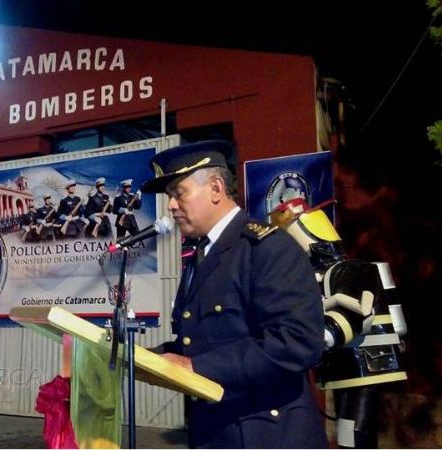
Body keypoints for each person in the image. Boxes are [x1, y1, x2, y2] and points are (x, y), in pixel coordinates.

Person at [141, 140, 328, 448]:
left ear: (215, 188)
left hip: (265, 435)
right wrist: (150, 359)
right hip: (215, 432)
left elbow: (297, 342)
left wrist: (197, 367)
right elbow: (206, 340)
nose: (171, 206)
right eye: (169, 197)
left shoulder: (267, 248)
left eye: (178, 193)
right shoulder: (201, 255)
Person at [271, 198, 408, 448]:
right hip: (343, 367)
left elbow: (355, 315)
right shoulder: (316, 279)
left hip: (366, 364)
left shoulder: (350, 270)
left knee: (355, 433)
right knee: (347, 432)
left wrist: (318, 337)